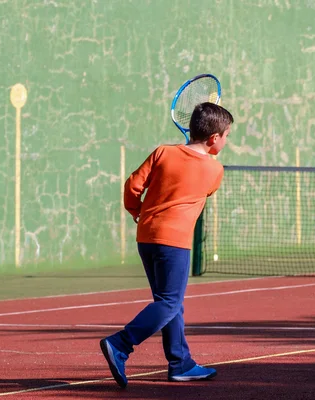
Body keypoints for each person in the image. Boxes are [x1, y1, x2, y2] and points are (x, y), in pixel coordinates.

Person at [100, 102, 233, 388]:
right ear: (213, 139)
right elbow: (203, 185)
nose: (226, 141)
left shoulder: (163, 152)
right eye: (226, 135)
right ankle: (120, 344)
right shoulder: (214, 170)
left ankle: (180, 363)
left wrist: (136, 209)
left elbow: (132, 186)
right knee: (169, 302)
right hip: (174, 243)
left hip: (146, 237)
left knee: (171, 303)